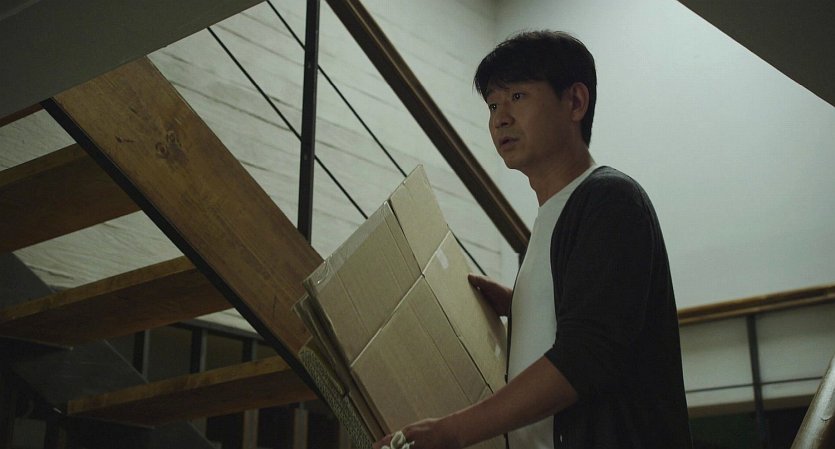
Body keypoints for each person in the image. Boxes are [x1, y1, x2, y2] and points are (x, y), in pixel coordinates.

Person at [373, 31, 692, 449]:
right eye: (493, 105)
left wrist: (451, 431)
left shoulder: (610, 199)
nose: (499, 119)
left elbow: (588, 354)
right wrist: (520, 306)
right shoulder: (549, 220)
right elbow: (587, 318)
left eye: (518, 96)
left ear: (575, 102)